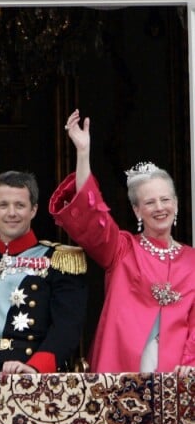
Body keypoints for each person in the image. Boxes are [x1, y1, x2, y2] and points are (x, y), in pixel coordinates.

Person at [50, 109, 195, 375]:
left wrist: (189, 366)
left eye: (165, 200)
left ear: (175, 204)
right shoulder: (122, 249)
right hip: (121, 370)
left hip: (179, 376)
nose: (159, 208)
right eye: (149, 202)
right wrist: (83, 154)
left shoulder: (192, 260)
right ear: (138, 211)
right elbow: (92, 215)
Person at [0, 170, 88, 374]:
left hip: (38, 373)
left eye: (20, 205)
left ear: (34, 210)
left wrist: (35, 367)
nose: (11, 213)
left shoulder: (58, 261)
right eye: (3, 205)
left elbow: (68, 327)